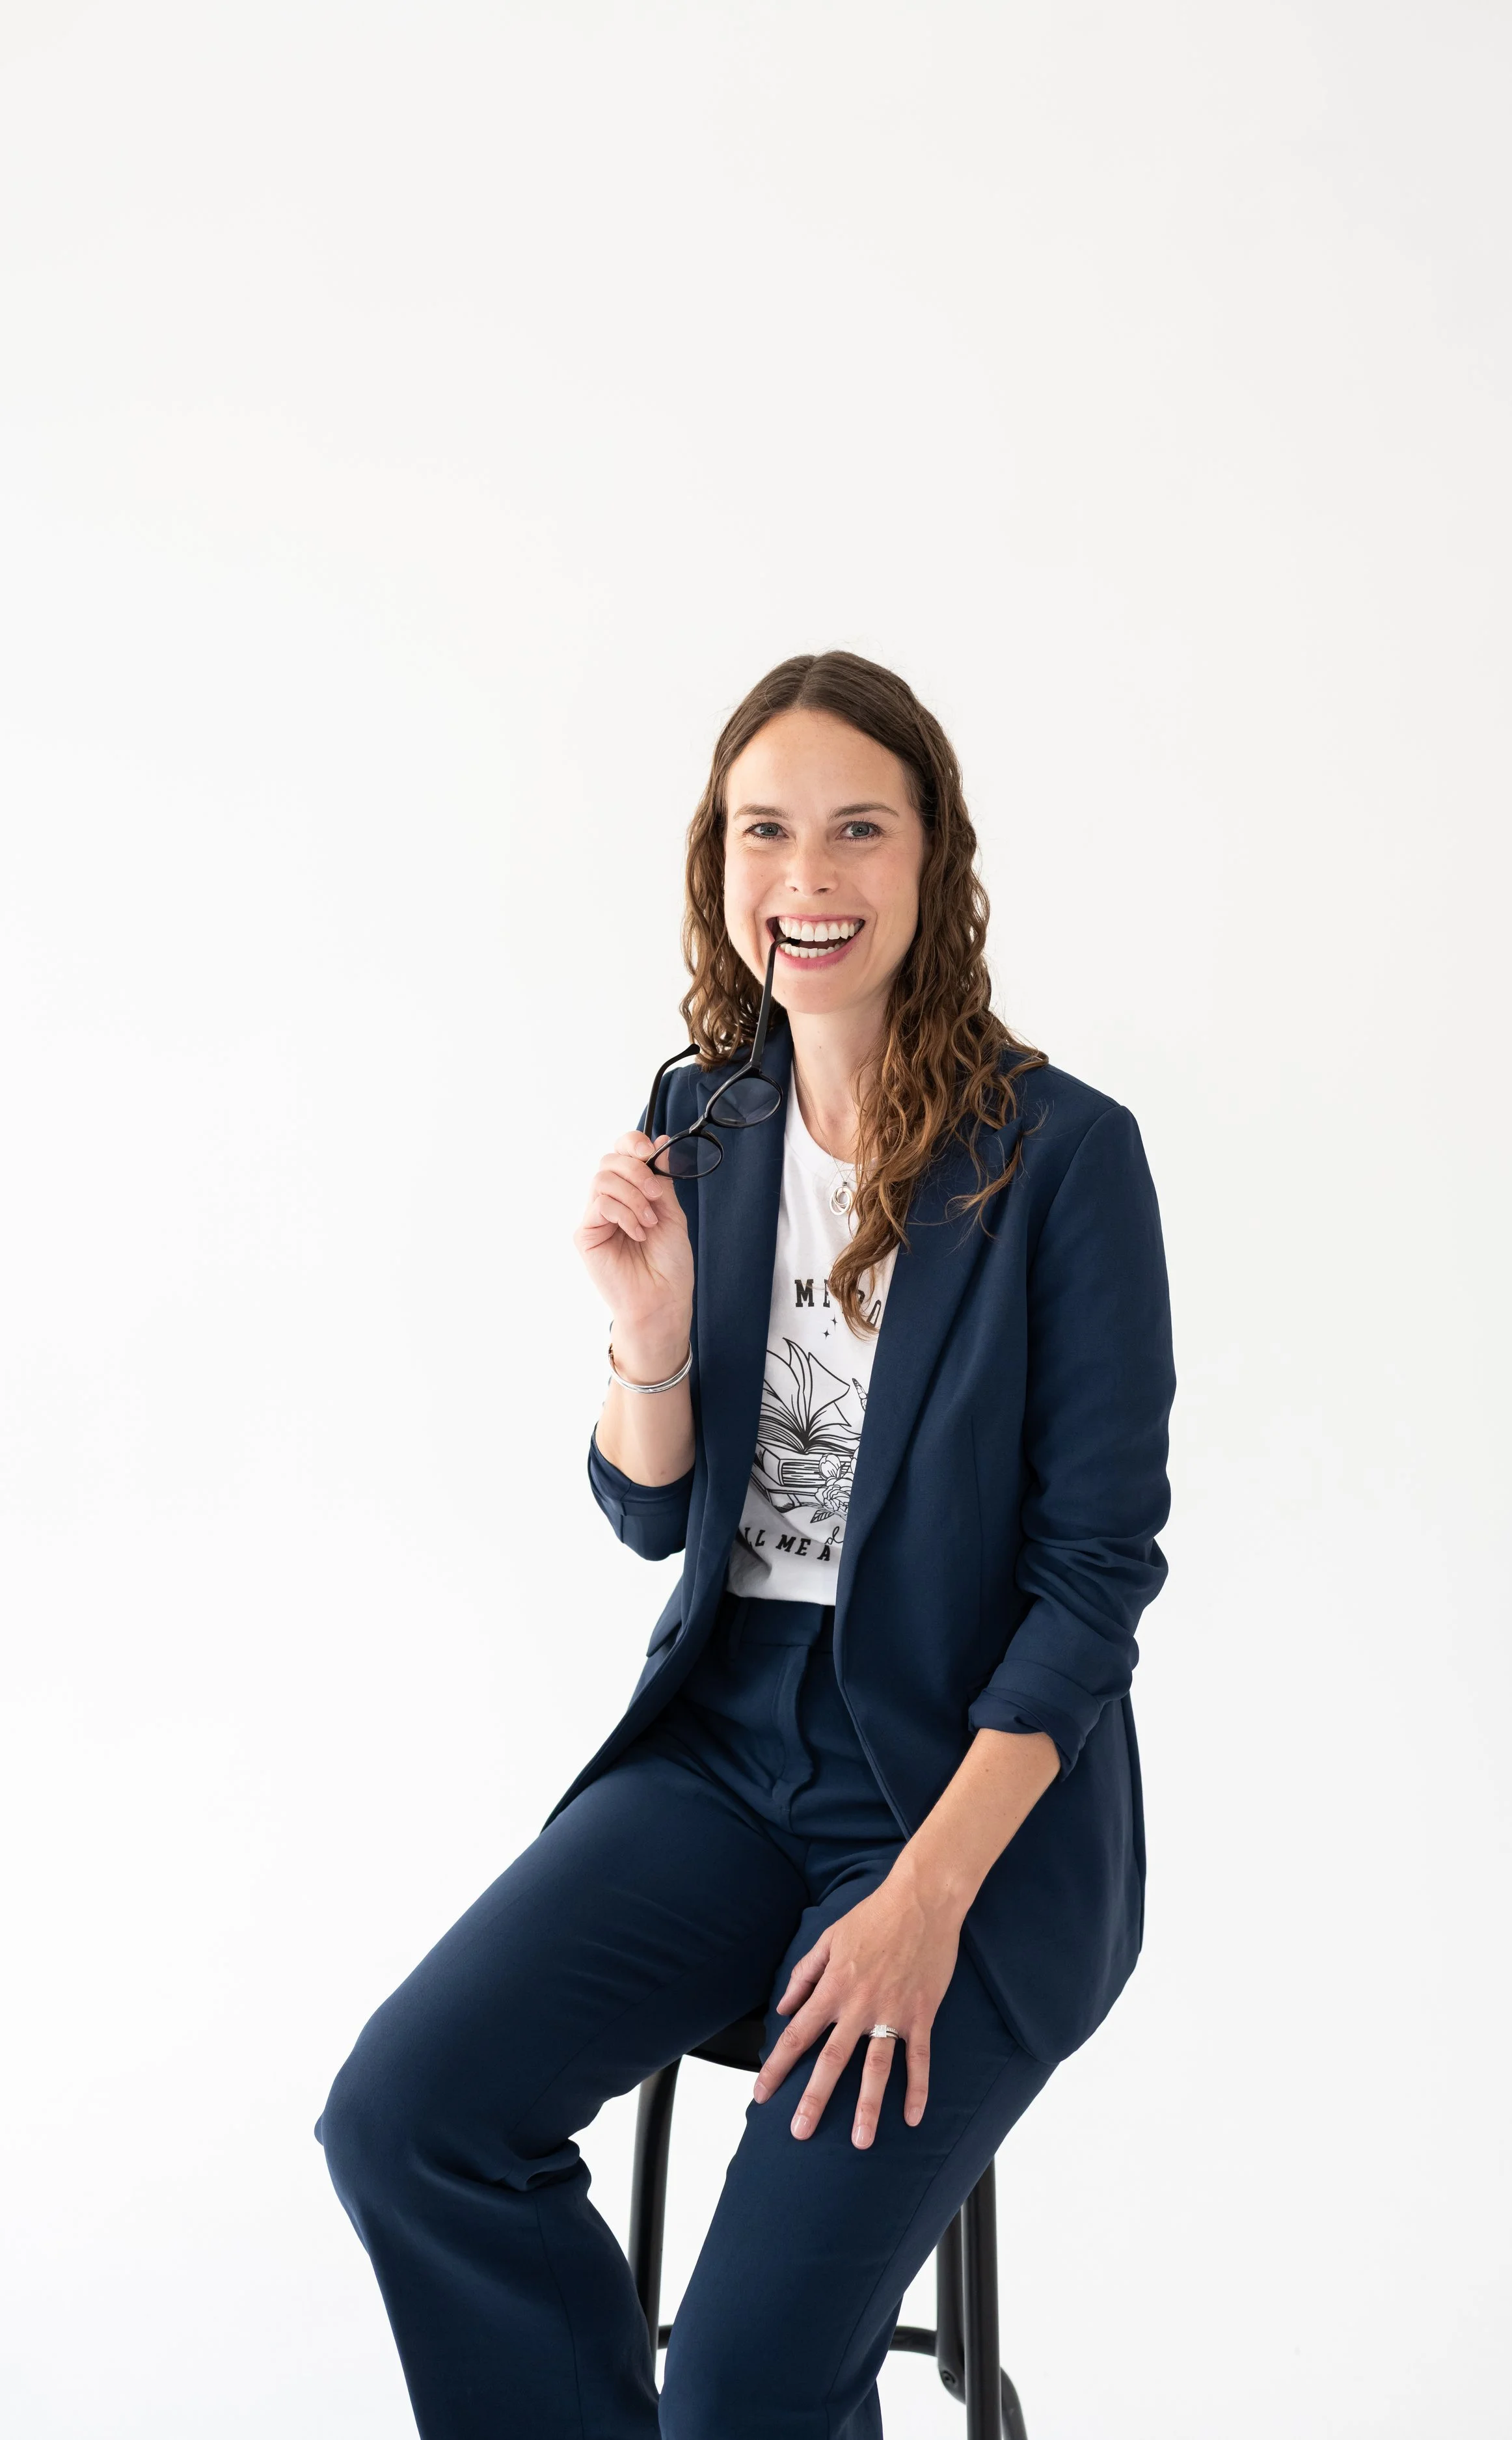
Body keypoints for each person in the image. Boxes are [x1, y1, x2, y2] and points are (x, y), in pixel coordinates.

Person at [315, 649, 1176, 2438]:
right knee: (408, 2118)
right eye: (763, 831)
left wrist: (917, 1902)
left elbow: (1091, 1584)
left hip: (965, 1792)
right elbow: (651, 1512)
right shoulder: (699, 1118)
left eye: (857, 830)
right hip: (725, 1747)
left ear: (933, 863)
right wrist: (643, 1332)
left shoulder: (1065, 1159)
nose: (808, 878)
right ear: (716, 862)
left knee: (739, 2381)